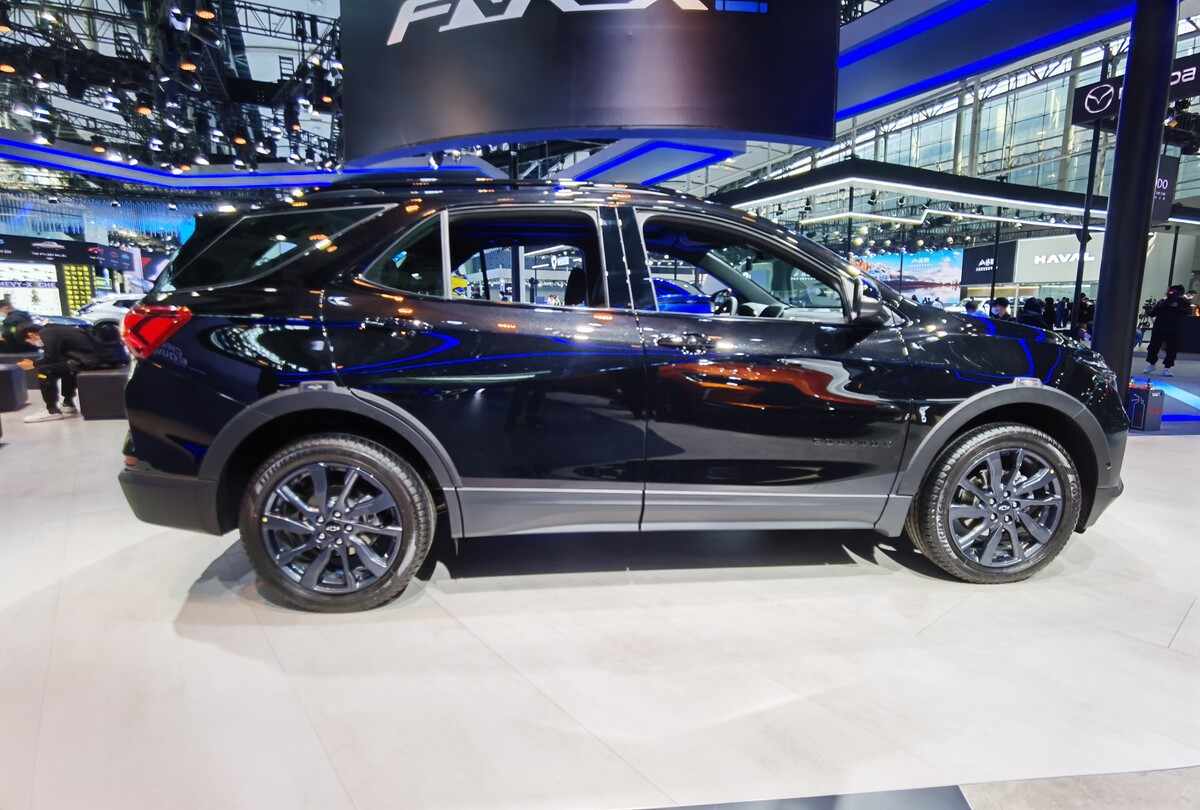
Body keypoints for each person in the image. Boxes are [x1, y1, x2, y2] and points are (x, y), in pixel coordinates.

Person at [14, 322, 104, 423]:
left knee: (44, 371)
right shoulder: (53, 330)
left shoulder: (46, 333)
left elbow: (51, 357)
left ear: (31, 334)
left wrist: (33, 364)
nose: (32, 344)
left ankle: (52, 411)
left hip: (88, 361)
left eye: (28, 341)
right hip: (92, 359)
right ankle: (68, 403)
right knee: (65, 367)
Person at [1144, 285, 1192, 377]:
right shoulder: (1163, 301)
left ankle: (1167, 368)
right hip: (1159, 328)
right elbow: (1153, 313)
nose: (1171, 293)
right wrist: (1149, 310)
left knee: (1171, 349)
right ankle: (1151, 364)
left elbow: (1188, 312)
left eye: (1173, 291)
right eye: (1170, 291)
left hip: (1173, 329)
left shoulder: (1183, 302)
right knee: (1153, 347)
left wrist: (1178, 308)